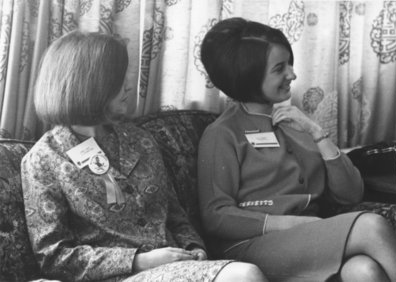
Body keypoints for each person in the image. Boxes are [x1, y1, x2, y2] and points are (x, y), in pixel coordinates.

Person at [21, 30, 269, 282]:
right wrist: (138, 260)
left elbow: (175, 215)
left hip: (176, 268)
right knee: (244, 275)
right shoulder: (43, 160)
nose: (129, 83)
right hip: (117, 276)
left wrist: (195, 249)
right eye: (118, 76)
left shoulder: (140, 140)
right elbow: (53, 257)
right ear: (87, 82)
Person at [198, 17, 396, 282]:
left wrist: (317, 134)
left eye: (289, 64)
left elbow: (350, 194)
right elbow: (215, 216)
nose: (292, 74)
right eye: (280, 68)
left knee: (364, 270)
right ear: (249, 75)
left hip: (308, 239)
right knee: (370, 225)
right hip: (249, 247)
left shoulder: (297, 124)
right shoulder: (221, 134)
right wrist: (289, 223)